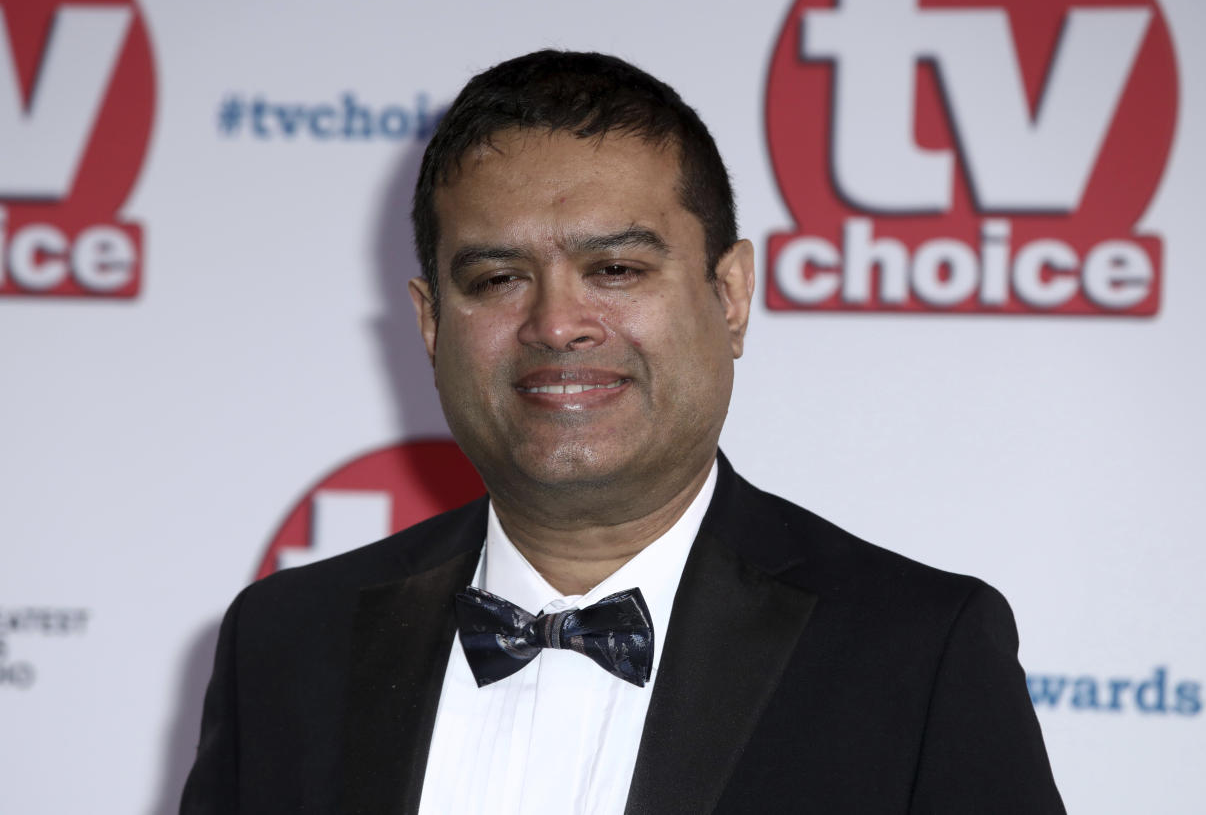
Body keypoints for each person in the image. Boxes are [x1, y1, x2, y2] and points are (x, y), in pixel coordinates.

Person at [181, 50, 1064, 814]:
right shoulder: (285, 644)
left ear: (730, 297)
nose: (557, 323)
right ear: (430, 325)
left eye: (615, 268)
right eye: (495, 278)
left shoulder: (917, 653)